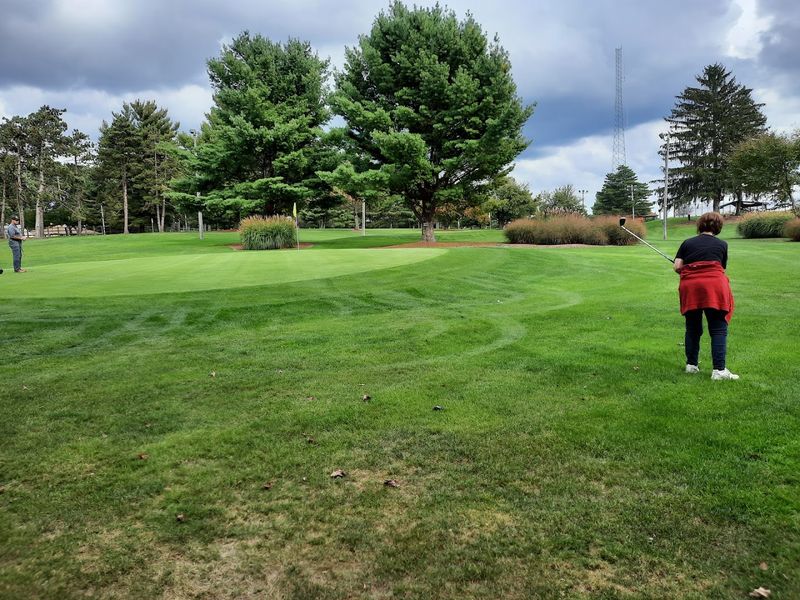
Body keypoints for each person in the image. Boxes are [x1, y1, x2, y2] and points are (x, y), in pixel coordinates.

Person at [674, 212, 737, 380]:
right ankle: (719, 371)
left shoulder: (687, 243)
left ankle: (691, 365)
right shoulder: (722, 244)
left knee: (693, 328)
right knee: (717, 328)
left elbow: (677, 266)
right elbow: (719, 266)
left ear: (700, 225)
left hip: (691, 288)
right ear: (718, 227)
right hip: (715, 287)